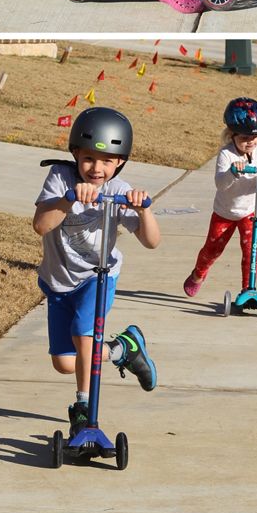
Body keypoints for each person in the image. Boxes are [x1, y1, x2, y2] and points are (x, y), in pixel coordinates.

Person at [33, 107, 161, 438]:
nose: (97, 168)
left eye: (107, 161)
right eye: (89, 158)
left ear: (120, 161)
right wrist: (68, 200)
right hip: (58, 282)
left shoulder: (121, 190)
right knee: (64, 362)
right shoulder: (61, 178)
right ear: (75, 152)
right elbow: (40, 225)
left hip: (97, 276)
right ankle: (125, 349)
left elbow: (152, 241)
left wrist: (142, 209)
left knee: (84, 335)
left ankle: (84, 409)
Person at [184, 98, 257, 297]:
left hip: (252, 212)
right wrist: (233, 172)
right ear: (232, 135)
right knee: (212, 249)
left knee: (251, 251)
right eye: (244, 137)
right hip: (225, 212)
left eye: (255, 137)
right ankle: (198, 274)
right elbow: (220, 184)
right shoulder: (226, 155)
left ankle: (248, 290)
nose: (250, 142)